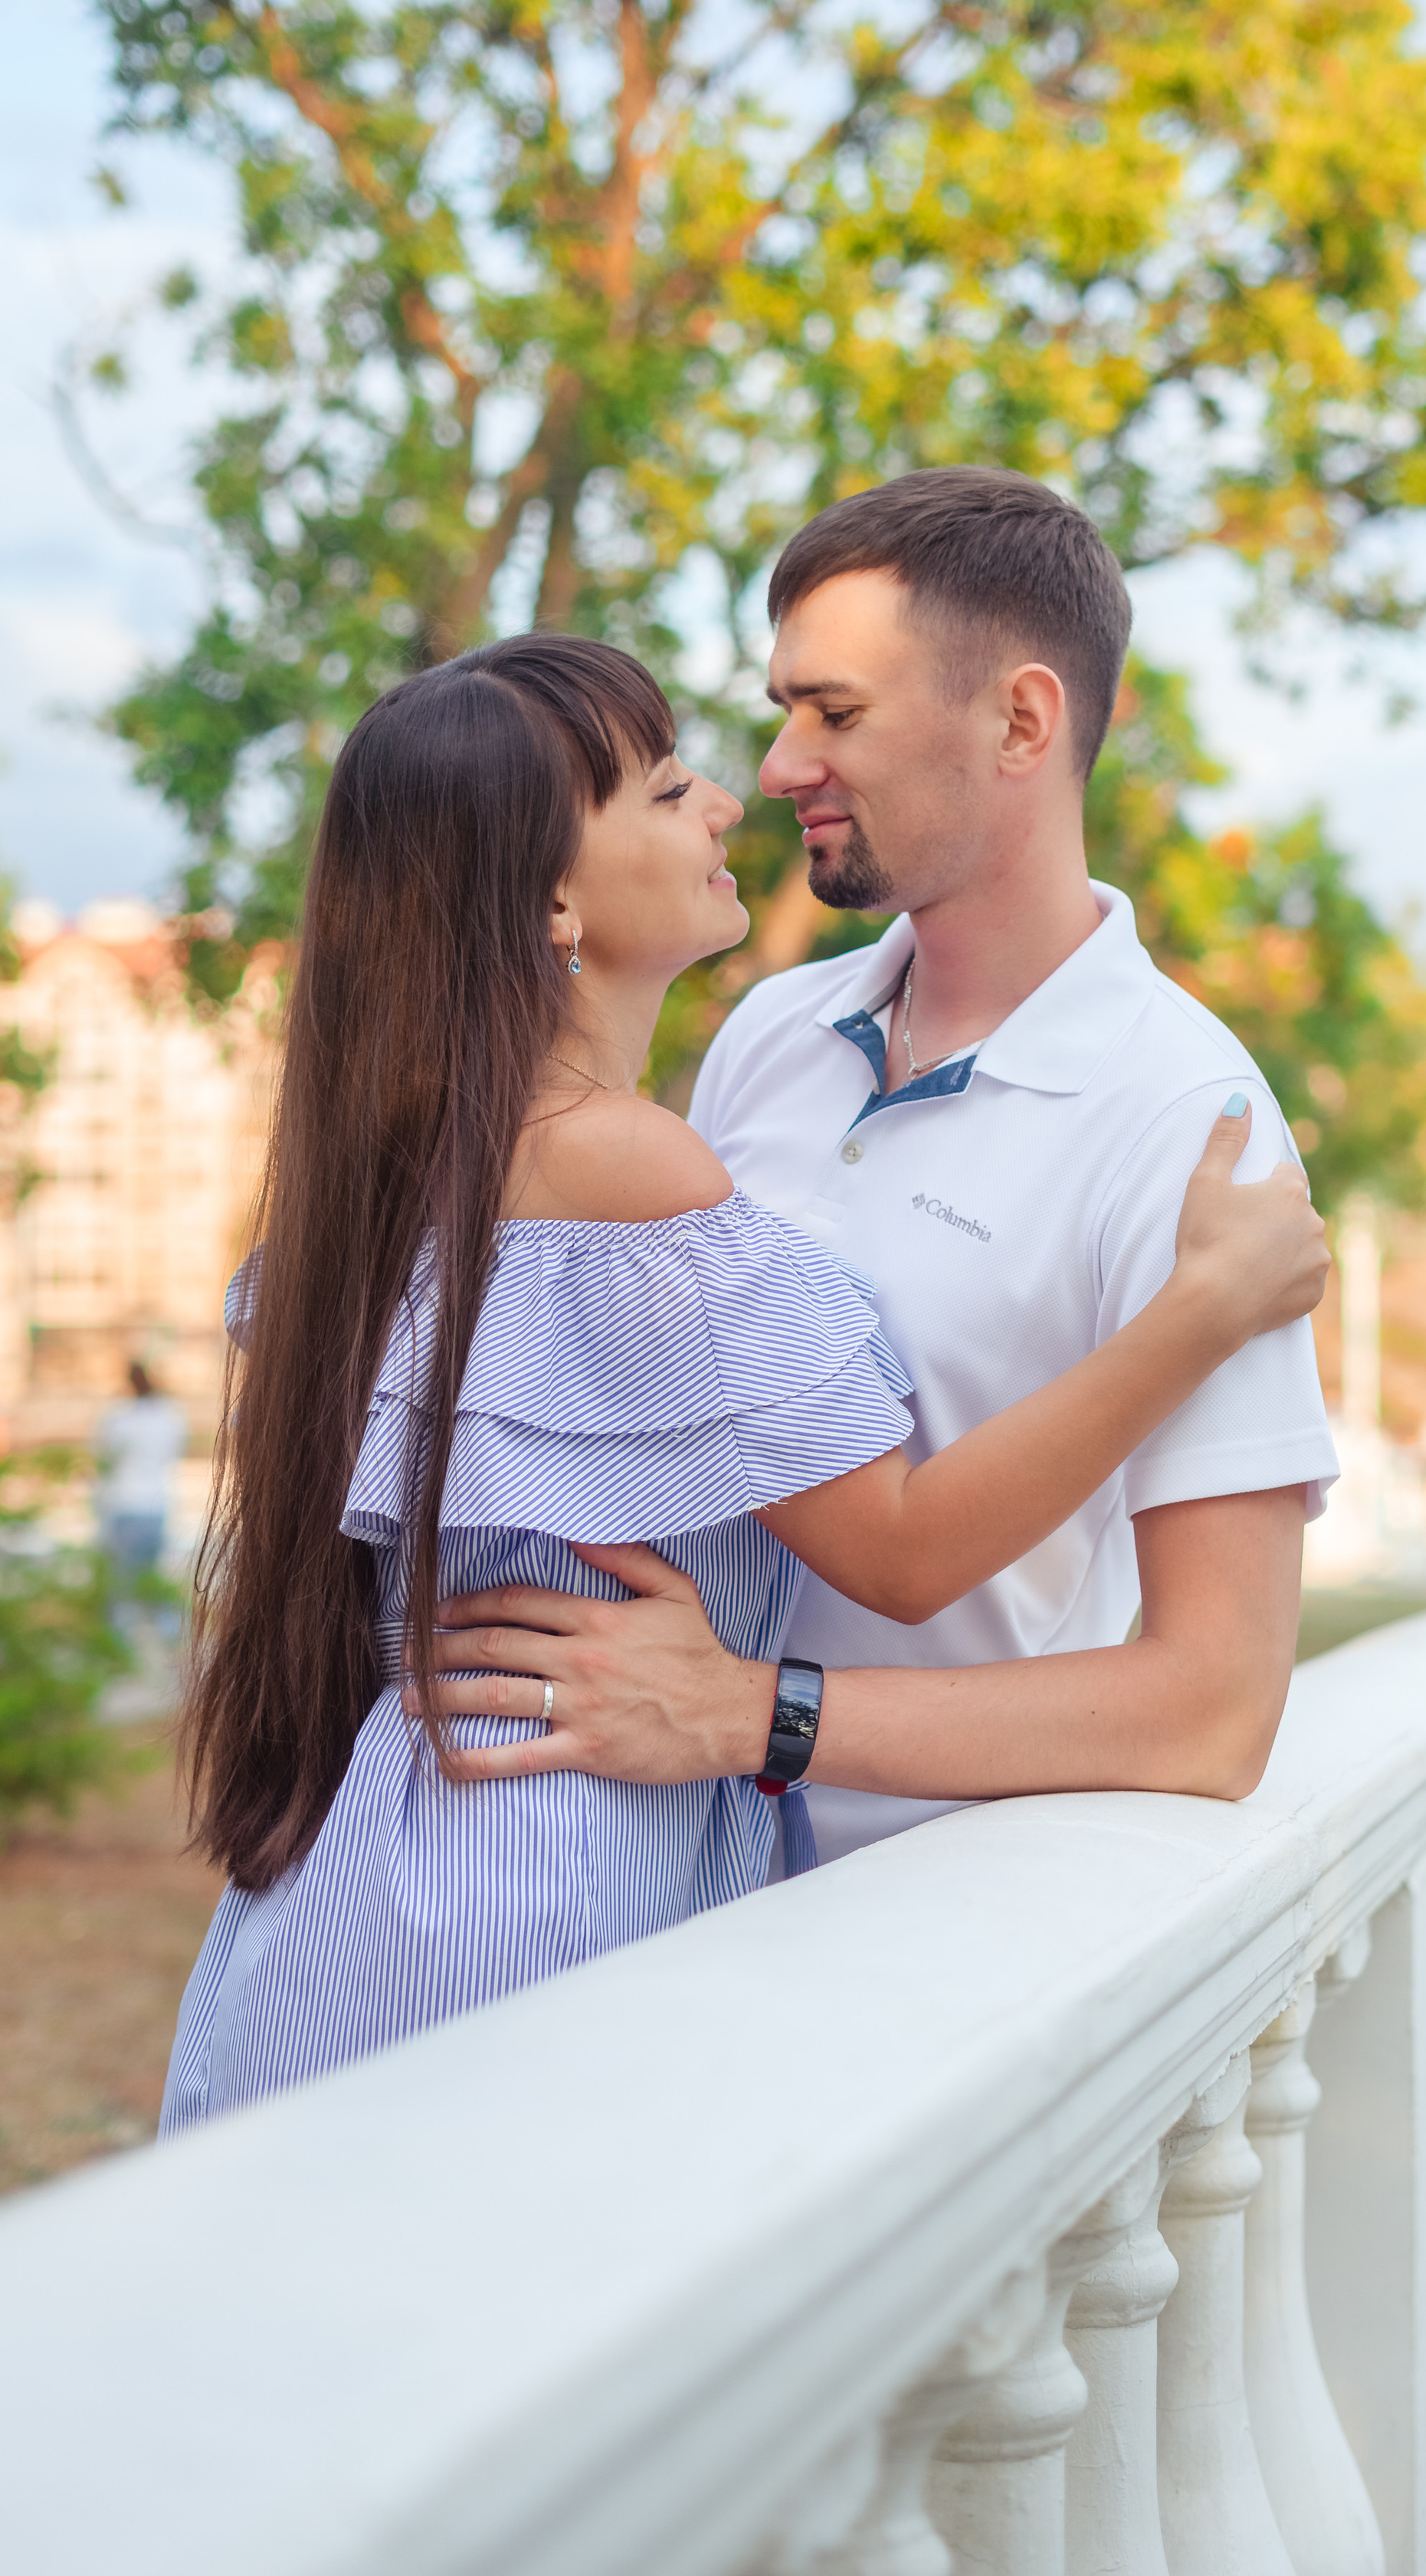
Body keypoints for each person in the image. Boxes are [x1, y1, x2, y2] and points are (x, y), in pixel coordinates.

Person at [160, 634, 1324, 2131]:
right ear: (557, 901)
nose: (729, 801)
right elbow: (897, 1549)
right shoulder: (621, 1160)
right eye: (660, 790)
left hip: (379, 1851)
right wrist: (1206, 1306)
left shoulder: (408, 1151)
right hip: (540, 1864)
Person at [425, 468, 1340, 1856]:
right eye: (787, 708)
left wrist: (762, 1718)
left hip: (931, 1937)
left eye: (834, 713)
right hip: (645, 1888)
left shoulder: (1191, 1124)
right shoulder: (769, 1037)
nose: (780, 767)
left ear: (1021, 720)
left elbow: (1212, 1710)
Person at [95, 1358, 186, 1617]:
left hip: (124, 1503)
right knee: (154, 1578)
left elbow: (104, 1460)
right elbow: (173, 1451)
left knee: (121, 1583)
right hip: (156, 1503)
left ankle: (119, 1646)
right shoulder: (169, 1415)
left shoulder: (118, 1417)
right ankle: (166, 1640)